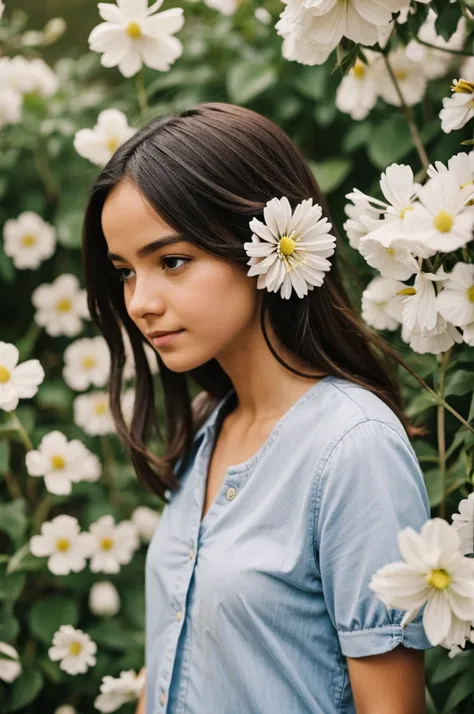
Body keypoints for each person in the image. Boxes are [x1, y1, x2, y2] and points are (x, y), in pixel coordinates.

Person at [82, 102, 432, 714]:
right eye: (125, 273)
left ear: (265, 246)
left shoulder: (353, 448)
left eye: (171, 261)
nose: (140, 302)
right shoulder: (205, 429)